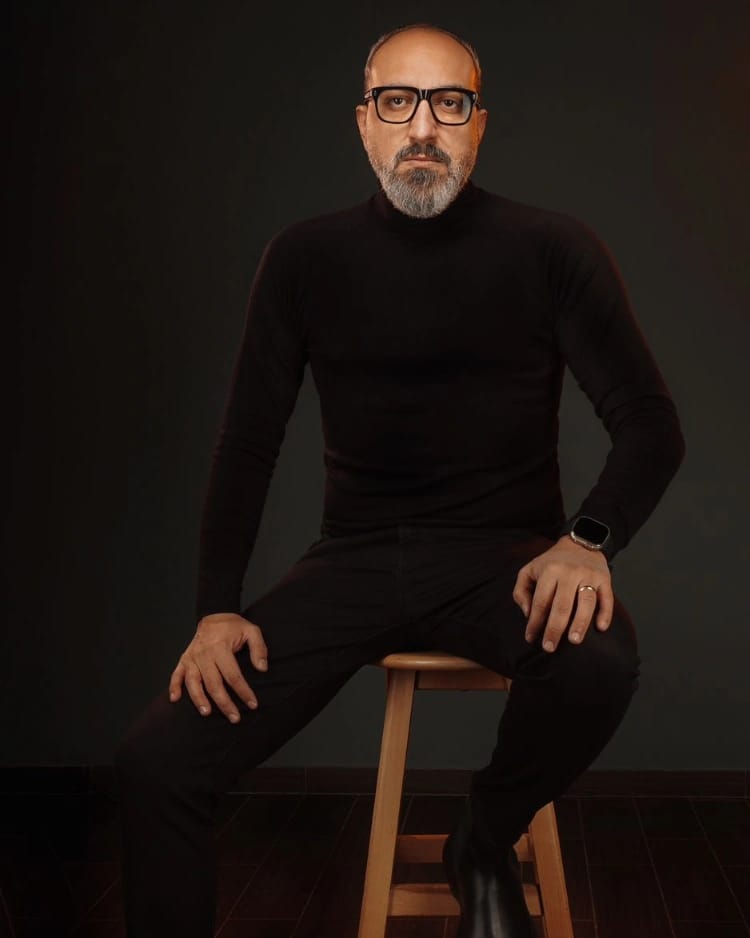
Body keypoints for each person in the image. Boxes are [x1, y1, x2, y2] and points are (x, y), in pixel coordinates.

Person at [114, 22, 685, 938]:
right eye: (397, 102)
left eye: (448, 103)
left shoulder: (551, 248)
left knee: (600, 658)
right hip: (353, 562)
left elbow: (651, 423)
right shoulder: (304, 257)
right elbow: (248, 444)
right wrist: (216, 608)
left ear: (479, 124)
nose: (423, 127)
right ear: (364, 122)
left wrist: (587, 542)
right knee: (157, 764)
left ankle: (482, 839)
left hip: (502, 562)